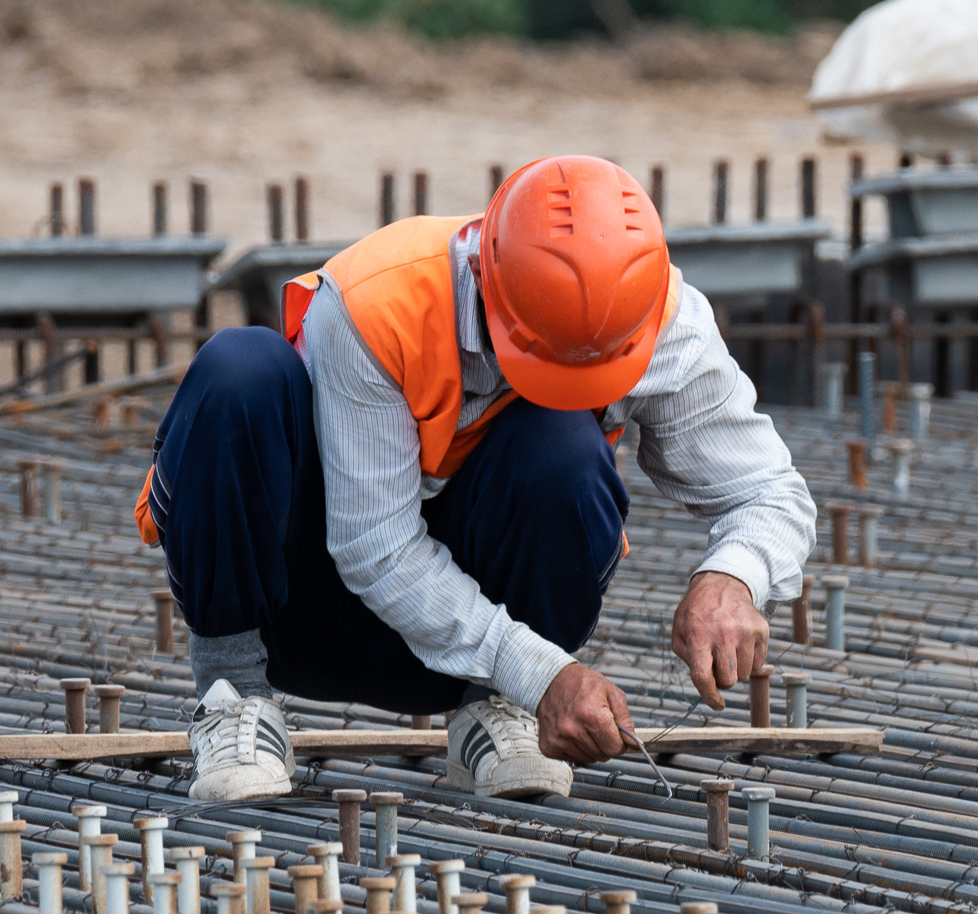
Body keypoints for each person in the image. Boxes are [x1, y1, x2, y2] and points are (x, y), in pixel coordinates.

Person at [137, 154, 815, 801]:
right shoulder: (379, 301)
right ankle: (234, 700)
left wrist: (731, 579)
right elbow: (374, 547)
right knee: (239, 370)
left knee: (560, 443)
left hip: (474, 660)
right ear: (488, 285)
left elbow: (771, 493)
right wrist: (545, 673)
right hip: (301, 612)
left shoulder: (659, 318)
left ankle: (496, 713)